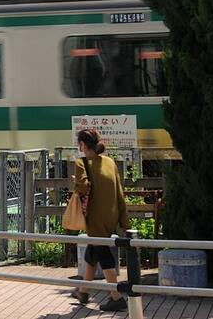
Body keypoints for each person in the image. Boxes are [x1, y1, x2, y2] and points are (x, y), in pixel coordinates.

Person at [72, 128, 130, 312]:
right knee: (92, 253)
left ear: (82, 145)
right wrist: (124, 221)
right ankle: (83, 292)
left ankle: (117, 296)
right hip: (111, 216)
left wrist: (76, 182)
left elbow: (82, 188)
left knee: (102, 253)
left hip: (95, 217)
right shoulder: (110, 162)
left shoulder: (82, 163)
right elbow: (120, 193)